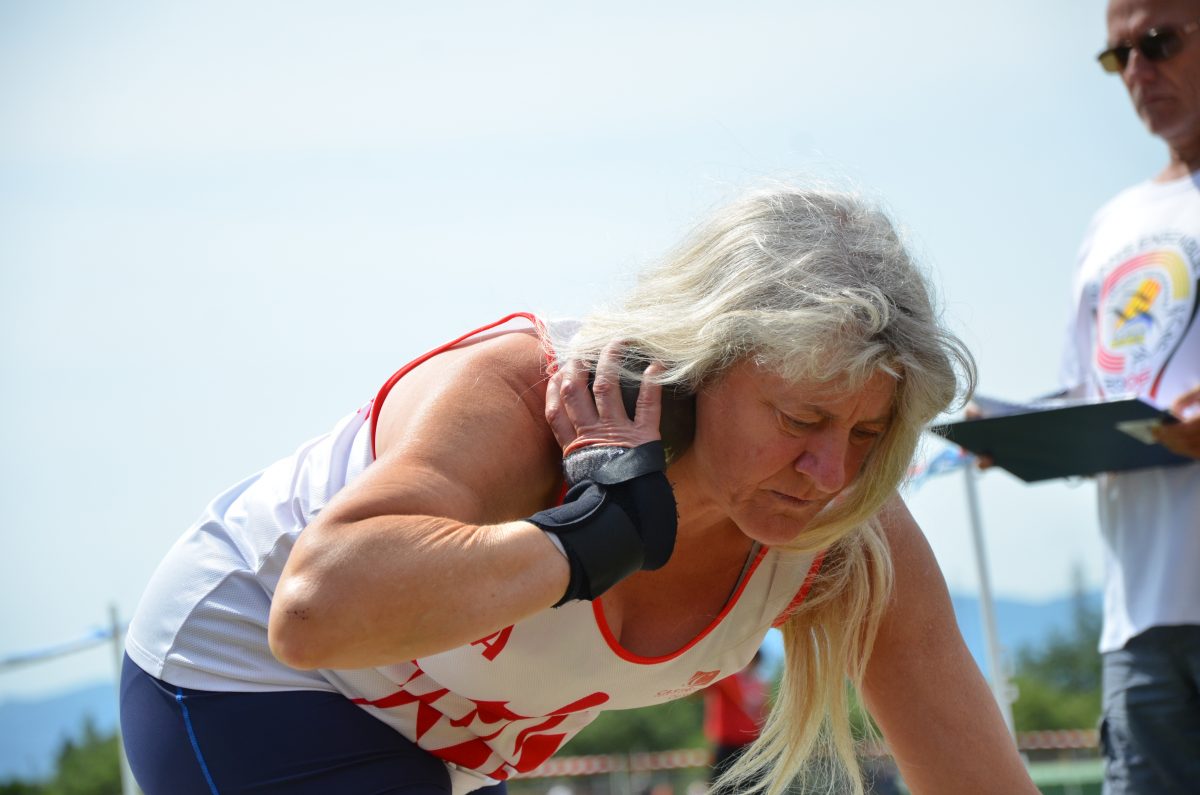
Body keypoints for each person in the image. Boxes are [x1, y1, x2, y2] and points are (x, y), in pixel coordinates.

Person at [119, 185, 1038, 795]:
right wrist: (596, 532)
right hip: (248, 670)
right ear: (699, 363)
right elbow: (313, 609)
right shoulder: (528, 399)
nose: (832, 473)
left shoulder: (847, 528)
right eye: (799, 420)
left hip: (436, 753)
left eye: (869, 433)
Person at [1059, 1, 1200, 791]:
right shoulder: (1111, 224)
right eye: (1119, 58)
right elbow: (1086, 394)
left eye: (1158, 42)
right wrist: (1015, 433)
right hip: (1138, 618)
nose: (1139, 72)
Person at [704, 651, 769, 794]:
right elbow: (701, 690)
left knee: (757, 789)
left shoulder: (760, 684)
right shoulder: (727, 679)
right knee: (721, 789)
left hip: (752, 746)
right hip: (727, 744)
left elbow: (764, 714)